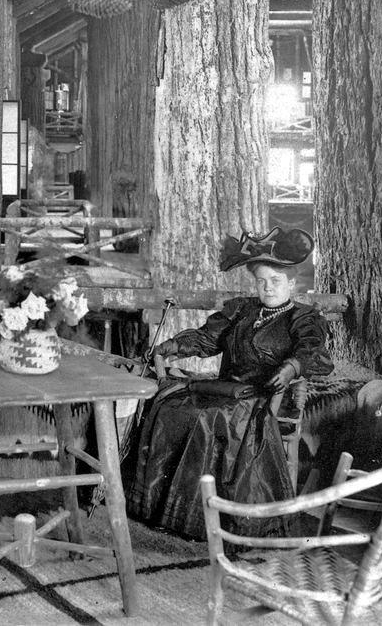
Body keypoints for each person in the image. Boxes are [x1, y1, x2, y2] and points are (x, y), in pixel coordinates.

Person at [128, 227, 333, 539]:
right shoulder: (243, 310)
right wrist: (172, 346)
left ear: (292, 283)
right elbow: (208, 339)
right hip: (226, 391)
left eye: (276, 281)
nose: (268, 288)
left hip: (265, 398)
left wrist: (291, 367)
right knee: (170, 406)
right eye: (261, 281)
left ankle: (207, 518)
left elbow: (311, 351)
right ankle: (165, 510)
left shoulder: (304, 319)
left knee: (207, 420)